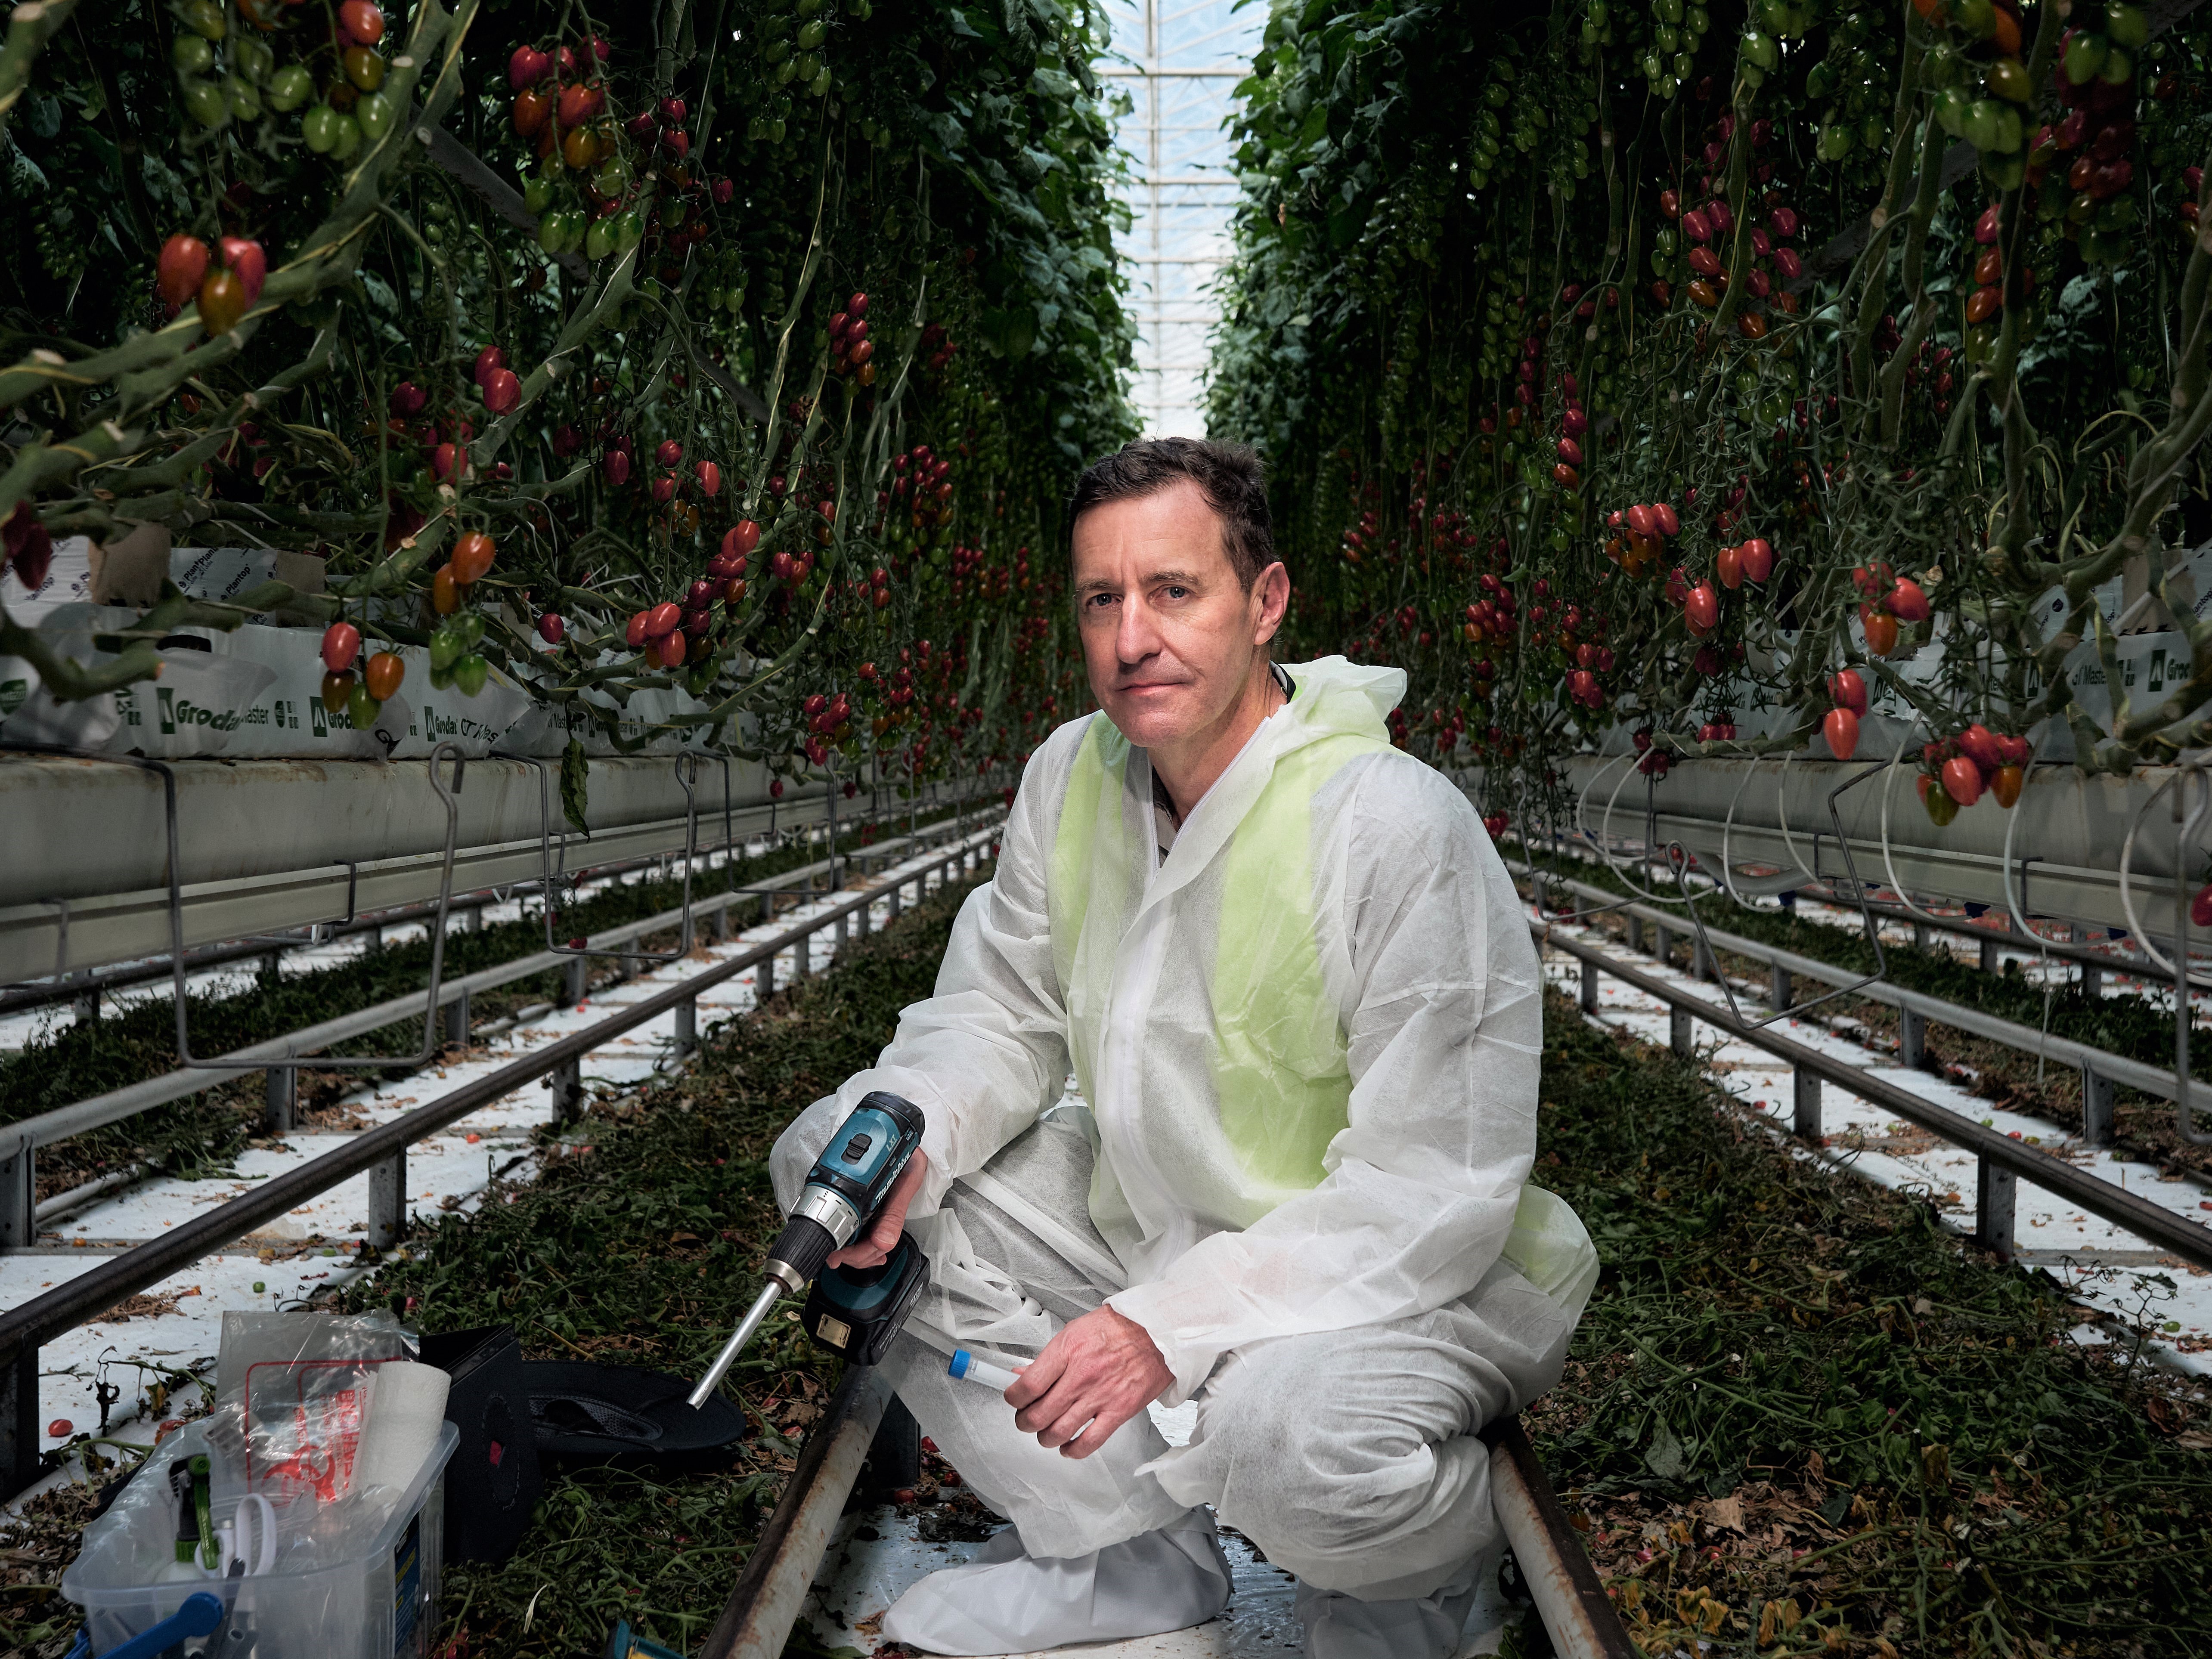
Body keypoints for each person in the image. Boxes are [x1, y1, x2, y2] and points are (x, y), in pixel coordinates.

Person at [769, 437, 1597, 1657]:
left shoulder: (1389, 827)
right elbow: (1000, 1012)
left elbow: (1430, 1187)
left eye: (1172, 591)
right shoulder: (1075, 776)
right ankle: (1123, 1559)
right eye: (1101, 599)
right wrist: (917, 1130)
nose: (1130, 637)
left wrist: (1168, 1324)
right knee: (844, 1168)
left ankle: (1412, 1577)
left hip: (1396, 1278)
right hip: (1159, 1215)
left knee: (1286, 1442)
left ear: (1264, 603)